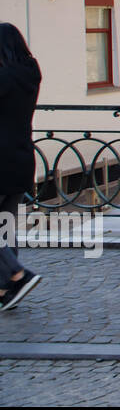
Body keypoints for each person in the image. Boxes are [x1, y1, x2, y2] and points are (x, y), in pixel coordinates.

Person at [0, 24, 43, 311]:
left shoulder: (2, 77)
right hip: (22, 155)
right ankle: (6, 290)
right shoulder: (31, 73)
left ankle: (17, 274)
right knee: (5, 226)